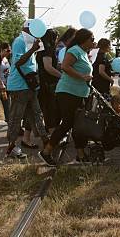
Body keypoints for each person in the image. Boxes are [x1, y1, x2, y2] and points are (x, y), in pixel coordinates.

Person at [39, 29, 95, 166]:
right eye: (91, 39)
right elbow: (65, 66)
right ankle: (46, 152)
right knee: (68, 123)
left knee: (78, 125)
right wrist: (82, 77)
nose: (93, 42)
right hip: (68, 92)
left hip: (79, 93)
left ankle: (81, 155)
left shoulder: (82, 52)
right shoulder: (74, 50)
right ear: (84, 39)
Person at [5, 20, 48, 159]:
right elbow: (18, 62)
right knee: (16, 118)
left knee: (37, 115)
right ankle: (11, 147)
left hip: (29, 85)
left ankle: (47, 143)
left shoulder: (31, 41)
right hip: (19, 86)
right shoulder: (19, 41)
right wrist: (32, 49)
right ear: (28, 29)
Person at [37, 29, 62, 133]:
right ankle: (52, 134)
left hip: (43, 82)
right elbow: (48, 67)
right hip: (48, 83)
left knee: (42, 109)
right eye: (56, 38)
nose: (57, 40)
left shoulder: (41, 48)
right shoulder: (48, 49)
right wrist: (61, 76)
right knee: (50, 109)